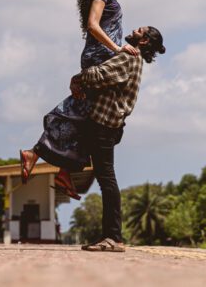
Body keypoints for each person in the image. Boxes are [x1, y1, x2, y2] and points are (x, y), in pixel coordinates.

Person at [20, 0, 138, 198]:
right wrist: (118, 49)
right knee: (81, 112)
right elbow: (93, 25)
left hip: (99, 58)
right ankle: (35, 152)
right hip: (98, 59)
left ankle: (63, 171)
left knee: (87, 118)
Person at [70, 25, 165, 252]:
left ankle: (113, 237)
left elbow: (102, 74)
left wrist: (78, 77)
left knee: (107, 180)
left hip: (104, 123)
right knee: (104, 178)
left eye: (139, 30)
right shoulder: (133, 57)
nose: (133, 30)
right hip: (108, 124)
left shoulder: (129, 56)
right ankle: (111, 236)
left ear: (143, 41)